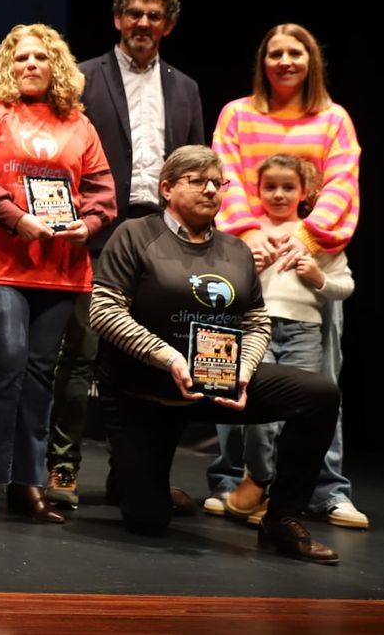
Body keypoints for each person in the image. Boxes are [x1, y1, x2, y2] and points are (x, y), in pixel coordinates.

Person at [90, 146, 342, 564]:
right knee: (147, 519)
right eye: (197, 181)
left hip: (216, 379)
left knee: (318, 393)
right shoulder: (135, 234)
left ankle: (282, 517)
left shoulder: (236, 250)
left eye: (218, 182)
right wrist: (168, 357)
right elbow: (104, 310)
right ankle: (133, 478)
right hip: (146, 391)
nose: (211, 189)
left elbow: (257, 320)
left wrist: (244, 369)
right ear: (167, 188)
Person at [46, 0, 205, 511]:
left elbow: (194, 168)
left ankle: (133, 475)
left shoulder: (185, 88)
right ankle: (63, 468)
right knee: (84, 355)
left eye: (153, 16)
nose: (142, 23)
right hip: (98, 233)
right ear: (117, 19)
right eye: (133, 14)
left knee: (150, 361)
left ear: (168, 25)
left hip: (161, 236)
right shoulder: (84, 78)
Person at [207, 23, 365, 528]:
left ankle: (326, 490)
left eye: (295, 52)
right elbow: (224, 174)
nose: (285, 61)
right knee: (234, 375)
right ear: (263, 61)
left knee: (320, 385)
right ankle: (234, 480)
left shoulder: (333, 119)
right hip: (248, 259)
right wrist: (251, 235)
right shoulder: (238, 114)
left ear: (310, 60)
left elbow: (343, 181)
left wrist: (307, 239)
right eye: (275, 53)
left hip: (307, 266)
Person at [0, 24, 115, 523]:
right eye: (21, 57)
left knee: (41, 374)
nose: (30, 65)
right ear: (8, 64)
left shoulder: (79, 124)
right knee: (7, 361)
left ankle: (28, 483)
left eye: (41, 58)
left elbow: (102, 190)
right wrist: (17, 218)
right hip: (2, 259)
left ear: (56, 68)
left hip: (62, 265)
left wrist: (85, 224)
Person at [223, 154, 355, 523]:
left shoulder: (317, 237)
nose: (278, 194)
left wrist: (318, 277)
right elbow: (221, 281)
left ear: (304, 192)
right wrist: (248, 267)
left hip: (303, 334)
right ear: (257, 190)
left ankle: (285, 494)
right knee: (252, 408)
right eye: (270, 187)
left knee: (303, 411)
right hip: (256, 330)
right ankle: (258, 477)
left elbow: (345, 285)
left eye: (288, 187)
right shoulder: (246, 234)